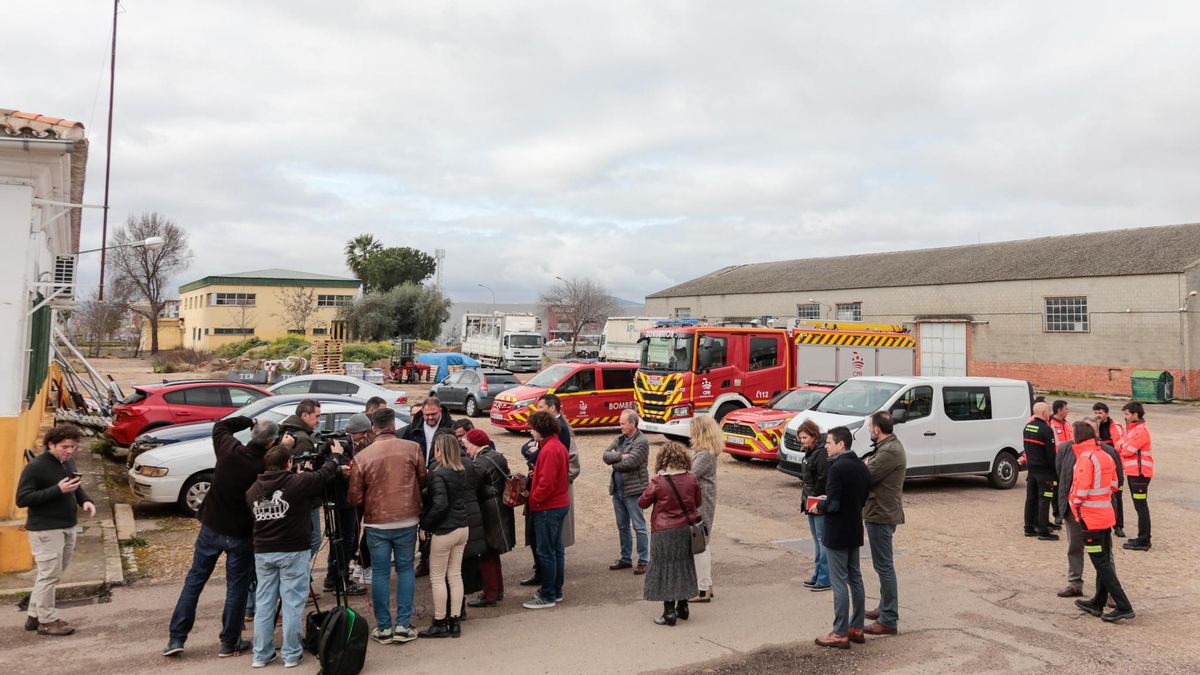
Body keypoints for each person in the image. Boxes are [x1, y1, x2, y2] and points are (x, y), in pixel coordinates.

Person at [163, 417, 289, 658]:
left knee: (195, 581)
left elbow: (221, 426)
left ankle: (176, 638)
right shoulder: (263, 466)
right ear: (271, 443)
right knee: (236, 588)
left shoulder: (229, 450)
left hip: (212, 526)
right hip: (241, 533)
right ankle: (229, 642)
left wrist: (249, 420)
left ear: (253, 435)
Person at [245, 441, 342, 668]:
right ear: (288, 463)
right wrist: (336, 456)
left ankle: (261, 653)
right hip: (293, 550)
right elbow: (323, 475)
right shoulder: (297, 483)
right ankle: (291, 653)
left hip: (263, 551)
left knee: (264, 603)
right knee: (292, 604)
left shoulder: (253, 490)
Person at [347, 407, 427, 645]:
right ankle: (403, 624)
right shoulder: (412, 448)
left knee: (380, 573)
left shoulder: (363, 457)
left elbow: (354, 497)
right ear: (393, 425)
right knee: (405, 570)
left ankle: (383, 628)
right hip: (407, 518)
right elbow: (423, 479)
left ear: (374, 428)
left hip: (376, 522)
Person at [16, 423, 96, 637]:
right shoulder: (36, 467)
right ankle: (47, 621)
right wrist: (57, 490)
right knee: (49, 575)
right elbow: (22, 499)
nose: (69, 451)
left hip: (67, 526)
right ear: (51, 444)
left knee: (52, 575)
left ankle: (34, 615)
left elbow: (76, 486)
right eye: (65, 446)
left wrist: (85, 501)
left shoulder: (67, 462)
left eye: (73, 447)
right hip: (45, 529)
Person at [1068, 422, 1135, 622]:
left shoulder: (1084, 458)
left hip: (1090, 518)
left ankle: (1123, 605)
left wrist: (1075, 504)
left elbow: (1081, 488)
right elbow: (1114, 484)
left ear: (1078, 436)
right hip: (1105, 514)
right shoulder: (1105, 455)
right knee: (1103, 559)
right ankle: (1098, 602)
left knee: (1101, 563)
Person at [813, 427, 870, 650]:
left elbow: (834, 505)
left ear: (841, 445)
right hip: (854, 527)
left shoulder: (837, 468)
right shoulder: (862, 467)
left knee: (839, 581)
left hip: (837, 530)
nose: (825, 446)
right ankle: (857, 626)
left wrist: (821, 505)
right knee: (855, 577)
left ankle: (839, 632)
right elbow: (862, 498)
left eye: (828, 443)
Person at [1056, 416, 1123, 599]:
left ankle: (1109, 591)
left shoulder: (1107, 451)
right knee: (1074, 547)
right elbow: (1062, 475)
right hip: (1074, 511)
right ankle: (1074, 583)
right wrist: (1064, 506)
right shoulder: (1065, 449)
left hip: (1097, 512)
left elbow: (1116, 483)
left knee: (1104, 554)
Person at [638, 442, 702, 626]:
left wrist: (653, 481)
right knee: (683, 565)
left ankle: (669, 612)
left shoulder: (659, 482)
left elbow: (642, 503)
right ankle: (683, 607)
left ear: (663, 460)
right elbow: (697, 502)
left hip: (663, 530)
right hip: (685, 529)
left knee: (665, 568)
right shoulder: (692, 479)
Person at [520, 394, 581, 587]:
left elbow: (550, 477)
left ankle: (549, 587)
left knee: (549, 546)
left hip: (549, 500)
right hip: (553, 496)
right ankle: (552, 584)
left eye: (541, 407)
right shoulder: (553, 439)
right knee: (553, 546)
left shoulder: (556, 440)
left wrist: (534, 498)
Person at [418, 435, 471, 638]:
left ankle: (440, 622)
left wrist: (425, 525)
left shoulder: (438, 473)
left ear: (441, 451)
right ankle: (455, 621)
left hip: (445, 530)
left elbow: (440, 504)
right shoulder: (461, 470)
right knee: (455, 575)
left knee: (438, 577)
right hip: (462, 527)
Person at [862, 411, 905, 636]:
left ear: (877, 430)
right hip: (880, 510)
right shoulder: (887, 447)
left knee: (884, 566)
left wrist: (866, 464)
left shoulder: (890, 451)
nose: (870, 430)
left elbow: (867, 475)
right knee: (883, 565)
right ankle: (884, 607)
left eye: (870, 427)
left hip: (882, 513)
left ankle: (888, 618)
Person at [522, 411, 570, 610]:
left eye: (532, 428)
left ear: (540, 429)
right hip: (558, 504)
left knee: (546, 551)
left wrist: (533, 499)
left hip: (548, 507)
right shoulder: (556, 446)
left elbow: (546, 484)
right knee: (556, 550)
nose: (531, 432)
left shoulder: (549, 450)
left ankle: (548, 594)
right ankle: (555, 590)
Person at [404, 396, 455, 577]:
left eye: (433, 414)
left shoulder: (450, 427)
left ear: (440, 411)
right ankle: (424, 560)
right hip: (419, 481)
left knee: (439, 518)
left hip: (441, 478)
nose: (430, 418)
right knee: (422, 520)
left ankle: (442, 561)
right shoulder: (413, 429)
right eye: (426, 415)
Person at [465, 429, 516, 607]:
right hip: (499, 507)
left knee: (486, 552)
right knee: (493, 552)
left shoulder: (480, 462)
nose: (466, 449)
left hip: (489, 510)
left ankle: (490, 594)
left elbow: (471, 485)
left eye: (467, 445)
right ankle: (496, 590)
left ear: (474, 444)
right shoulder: (497, 456)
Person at [602, 409, 651, 574]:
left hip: (634, 491)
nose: (620, 426)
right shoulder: (620, 438)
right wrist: (621, 456)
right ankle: (626, 558)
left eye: (623, 423)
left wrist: (616, 459)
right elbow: (605, 455)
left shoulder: (642, 442)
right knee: (622, 526)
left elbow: (630, 463)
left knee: (639, 526)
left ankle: (644, 560)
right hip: (618, 490)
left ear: (633, 424)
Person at [279, 399, 324, 561]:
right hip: (304, 500)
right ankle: (299, 573)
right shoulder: (302, 438)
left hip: (292, 498)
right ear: (305, 415)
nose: (318, 421)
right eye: (316, 416)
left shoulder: (287, 430)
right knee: (314, 540)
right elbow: (306, 474)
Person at [689, 415, 720, 602]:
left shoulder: (704, 455)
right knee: (703, 545)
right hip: (704, 503)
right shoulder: (706, 453)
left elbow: (690, 476)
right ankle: (707, 584)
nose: (690, 435)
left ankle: (702, 589)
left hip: (702, 505)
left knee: (699, 546)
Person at [798, 419, 831, 593]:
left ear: (813, 435)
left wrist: (817, 501)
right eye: (800, 438)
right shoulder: (811, 452)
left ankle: (824, 577)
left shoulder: (820, 454)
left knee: (821, 540)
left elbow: (822, 479)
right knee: (817, 540)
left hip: (816, 501)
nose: (802, 441)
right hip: (810, 500)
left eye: (804, 437)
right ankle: (818, 574)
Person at [344, 413, 375, 585]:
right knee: (364, 532)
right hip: (365, 496)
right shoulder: (362, 444)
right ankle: (361, 564)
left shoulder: (365, 446)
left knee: (362, 532)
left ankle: (360, 564)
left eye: (353, 433)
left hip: (364, 495)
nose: (351, 437)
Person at [1119, 402, 1153, 551]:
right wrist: (1122, 446)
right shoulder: (1133, 429)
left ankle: (1144, 540)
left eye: (1127, 414)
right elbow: (1121, 443)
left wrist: (1122, 446)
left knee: (1141, 507)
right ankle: (1142, 537)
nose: (1125, 417)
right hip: (1133, 473)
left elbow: (1127, 450)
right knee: (1139, 507)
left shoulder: (1140, 431)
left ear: (1135, 415)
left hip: (1140, 474)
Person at [1022, 402, 1059, 541]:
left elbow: (1026, 448)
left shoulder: (1027, 427)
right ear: (1044, 413)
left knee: (1031, 498)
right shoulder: (1046, 429)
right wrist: (1054, 471)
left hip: (1031, 469)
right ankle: (1043, 531)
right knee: (1045, 499)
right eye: (1049, 410)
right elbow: (1051, 454)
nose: (1050, 413)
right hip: (1044, 472)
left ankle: (1029, 527)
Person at [1092, 402, 1126, 537]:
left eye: (1100, 413)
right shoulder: (1091, 426)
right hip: (1098, 465)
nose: (1097, 415)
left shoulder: (1116, 426)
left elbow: (1121, 445)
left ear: (1106, 413)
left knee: (1117, 496)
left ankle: (1118, 526)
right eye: (1095, 413)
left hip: (1114, 465)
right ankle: (1100, 525)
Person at [1048, 400, 1071, 526]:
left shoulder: (1067, 424)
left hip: (1069, 462)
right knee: (1056, 490)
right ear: (1059, 410)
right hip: (1057, 463)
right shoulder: (1051, 425)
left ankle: (1067, 512)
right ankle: (1057, 515)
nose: (1068, 411)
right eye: (1066, 409)